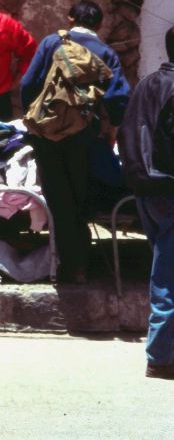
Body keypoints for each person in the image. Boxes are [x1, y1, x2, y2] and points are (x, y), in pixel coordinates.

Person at [19, 0, 130, 283]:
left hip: (47, 135)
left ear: (70, 19)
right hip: (84, 134)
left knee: (59, 199)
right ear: (99, 24)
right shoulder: (105, 52)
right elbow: (118, 97)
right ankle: (81, 265)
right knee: (81, 195)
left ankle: (66, 263)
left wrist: (38, 118)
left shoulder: (50, 43)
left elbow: (27, 84)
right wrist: (112, 127)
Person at [116, 26, 174, 380]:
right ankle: (160, 357)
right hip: (168, 187)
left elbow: (126, 132)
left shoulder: (147, 83)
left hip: (145, 189)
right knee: (168, 276)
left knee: (164, 267)